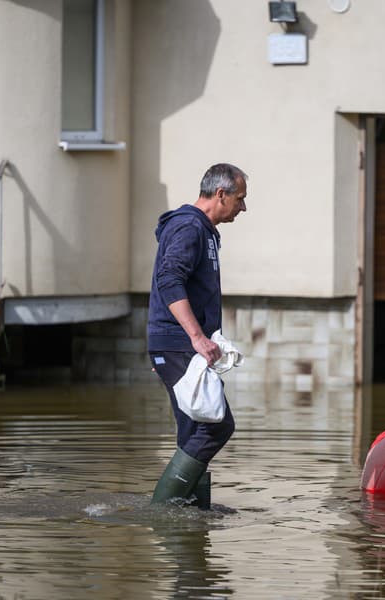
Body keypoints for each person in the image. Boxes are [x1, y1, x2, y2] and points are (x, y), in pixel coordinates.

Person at [147, 163, 248, 507]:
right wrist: (193, 338)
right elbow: (169, 280)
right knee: (216, 425)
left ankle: (193, 515)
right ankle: (161, 509)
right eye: (240, 199)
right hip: (180, 345)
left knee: (194, 429)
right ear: (221, 194)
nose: (243, 207)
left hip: (175, 346)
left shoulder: (201, 230)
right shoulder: (189, 228)